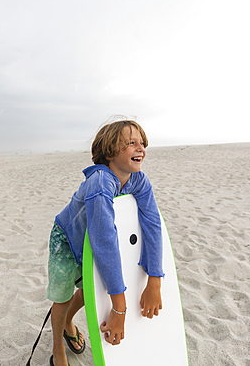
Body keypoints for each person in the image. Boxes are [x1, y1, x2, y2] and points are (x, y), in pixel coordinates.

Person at [47, 118, 164, 366]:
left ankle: (69, 322)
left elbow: (152, 225)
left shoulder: (138, 180)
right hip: (67, 240)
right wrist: (119, 310)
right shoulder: (100, 181)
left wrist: (155, 279)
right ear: (110, 150)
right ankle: (58, 348)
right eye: (131, 143)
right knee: (63, 297)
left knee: (88, 289)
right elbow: (104, 242)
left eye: (142, 143)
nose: (140, 148)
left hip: (94, 242)